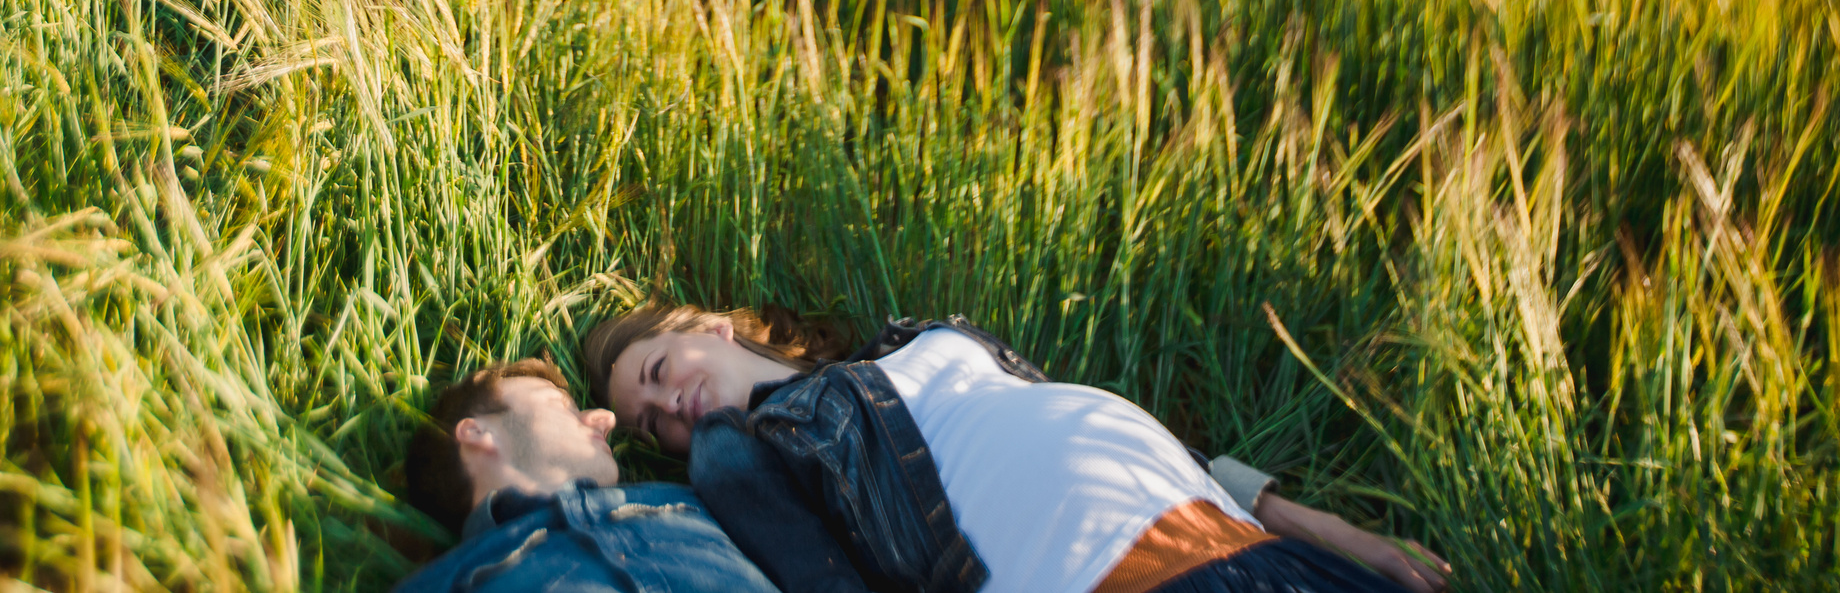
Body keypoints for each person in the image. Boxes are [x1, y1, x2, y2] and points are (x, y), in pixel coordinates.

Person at [585, 306, 1453, 593]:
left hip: (1254, 553)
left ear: (706, 324)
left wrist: (1331, 529)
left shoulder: (913, 334)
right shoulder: (744, 452)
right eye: (651, 419)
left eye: (658, 371)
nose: (671, 407)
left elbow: (1131, 428)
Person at [394, 357, 807, 593]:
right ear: (477, 432)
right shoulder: (442, 584)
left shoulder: (702, 500)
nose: (606, 418)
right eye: (562, 405)